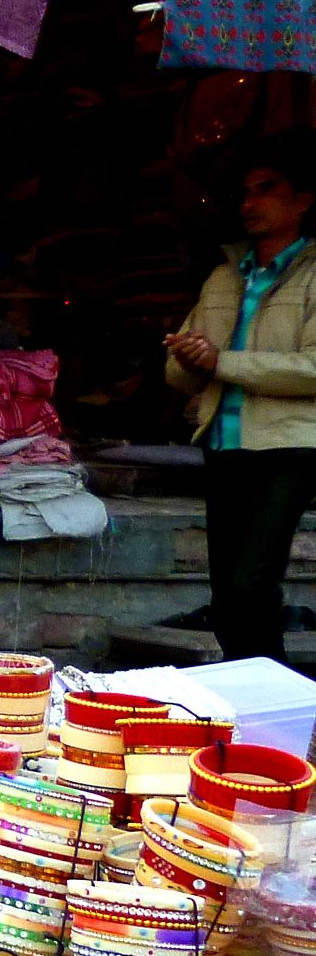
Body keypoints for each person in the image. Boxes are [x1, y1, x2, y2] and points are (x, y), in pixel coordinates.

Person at [164, 135, 316, 662]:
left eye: (266, 190)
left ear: (302, 200)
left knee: (251, 585)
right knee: (228, 594)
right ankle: (249, 692)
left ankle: (273, 699)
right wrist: (187, 359)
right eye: (246, 193)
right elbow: (181, 375)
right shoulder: (225, 276)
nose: (249, 203)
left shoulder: (315, 273)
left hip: (288, 447)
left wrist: (220, 361)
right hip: (223, 441)